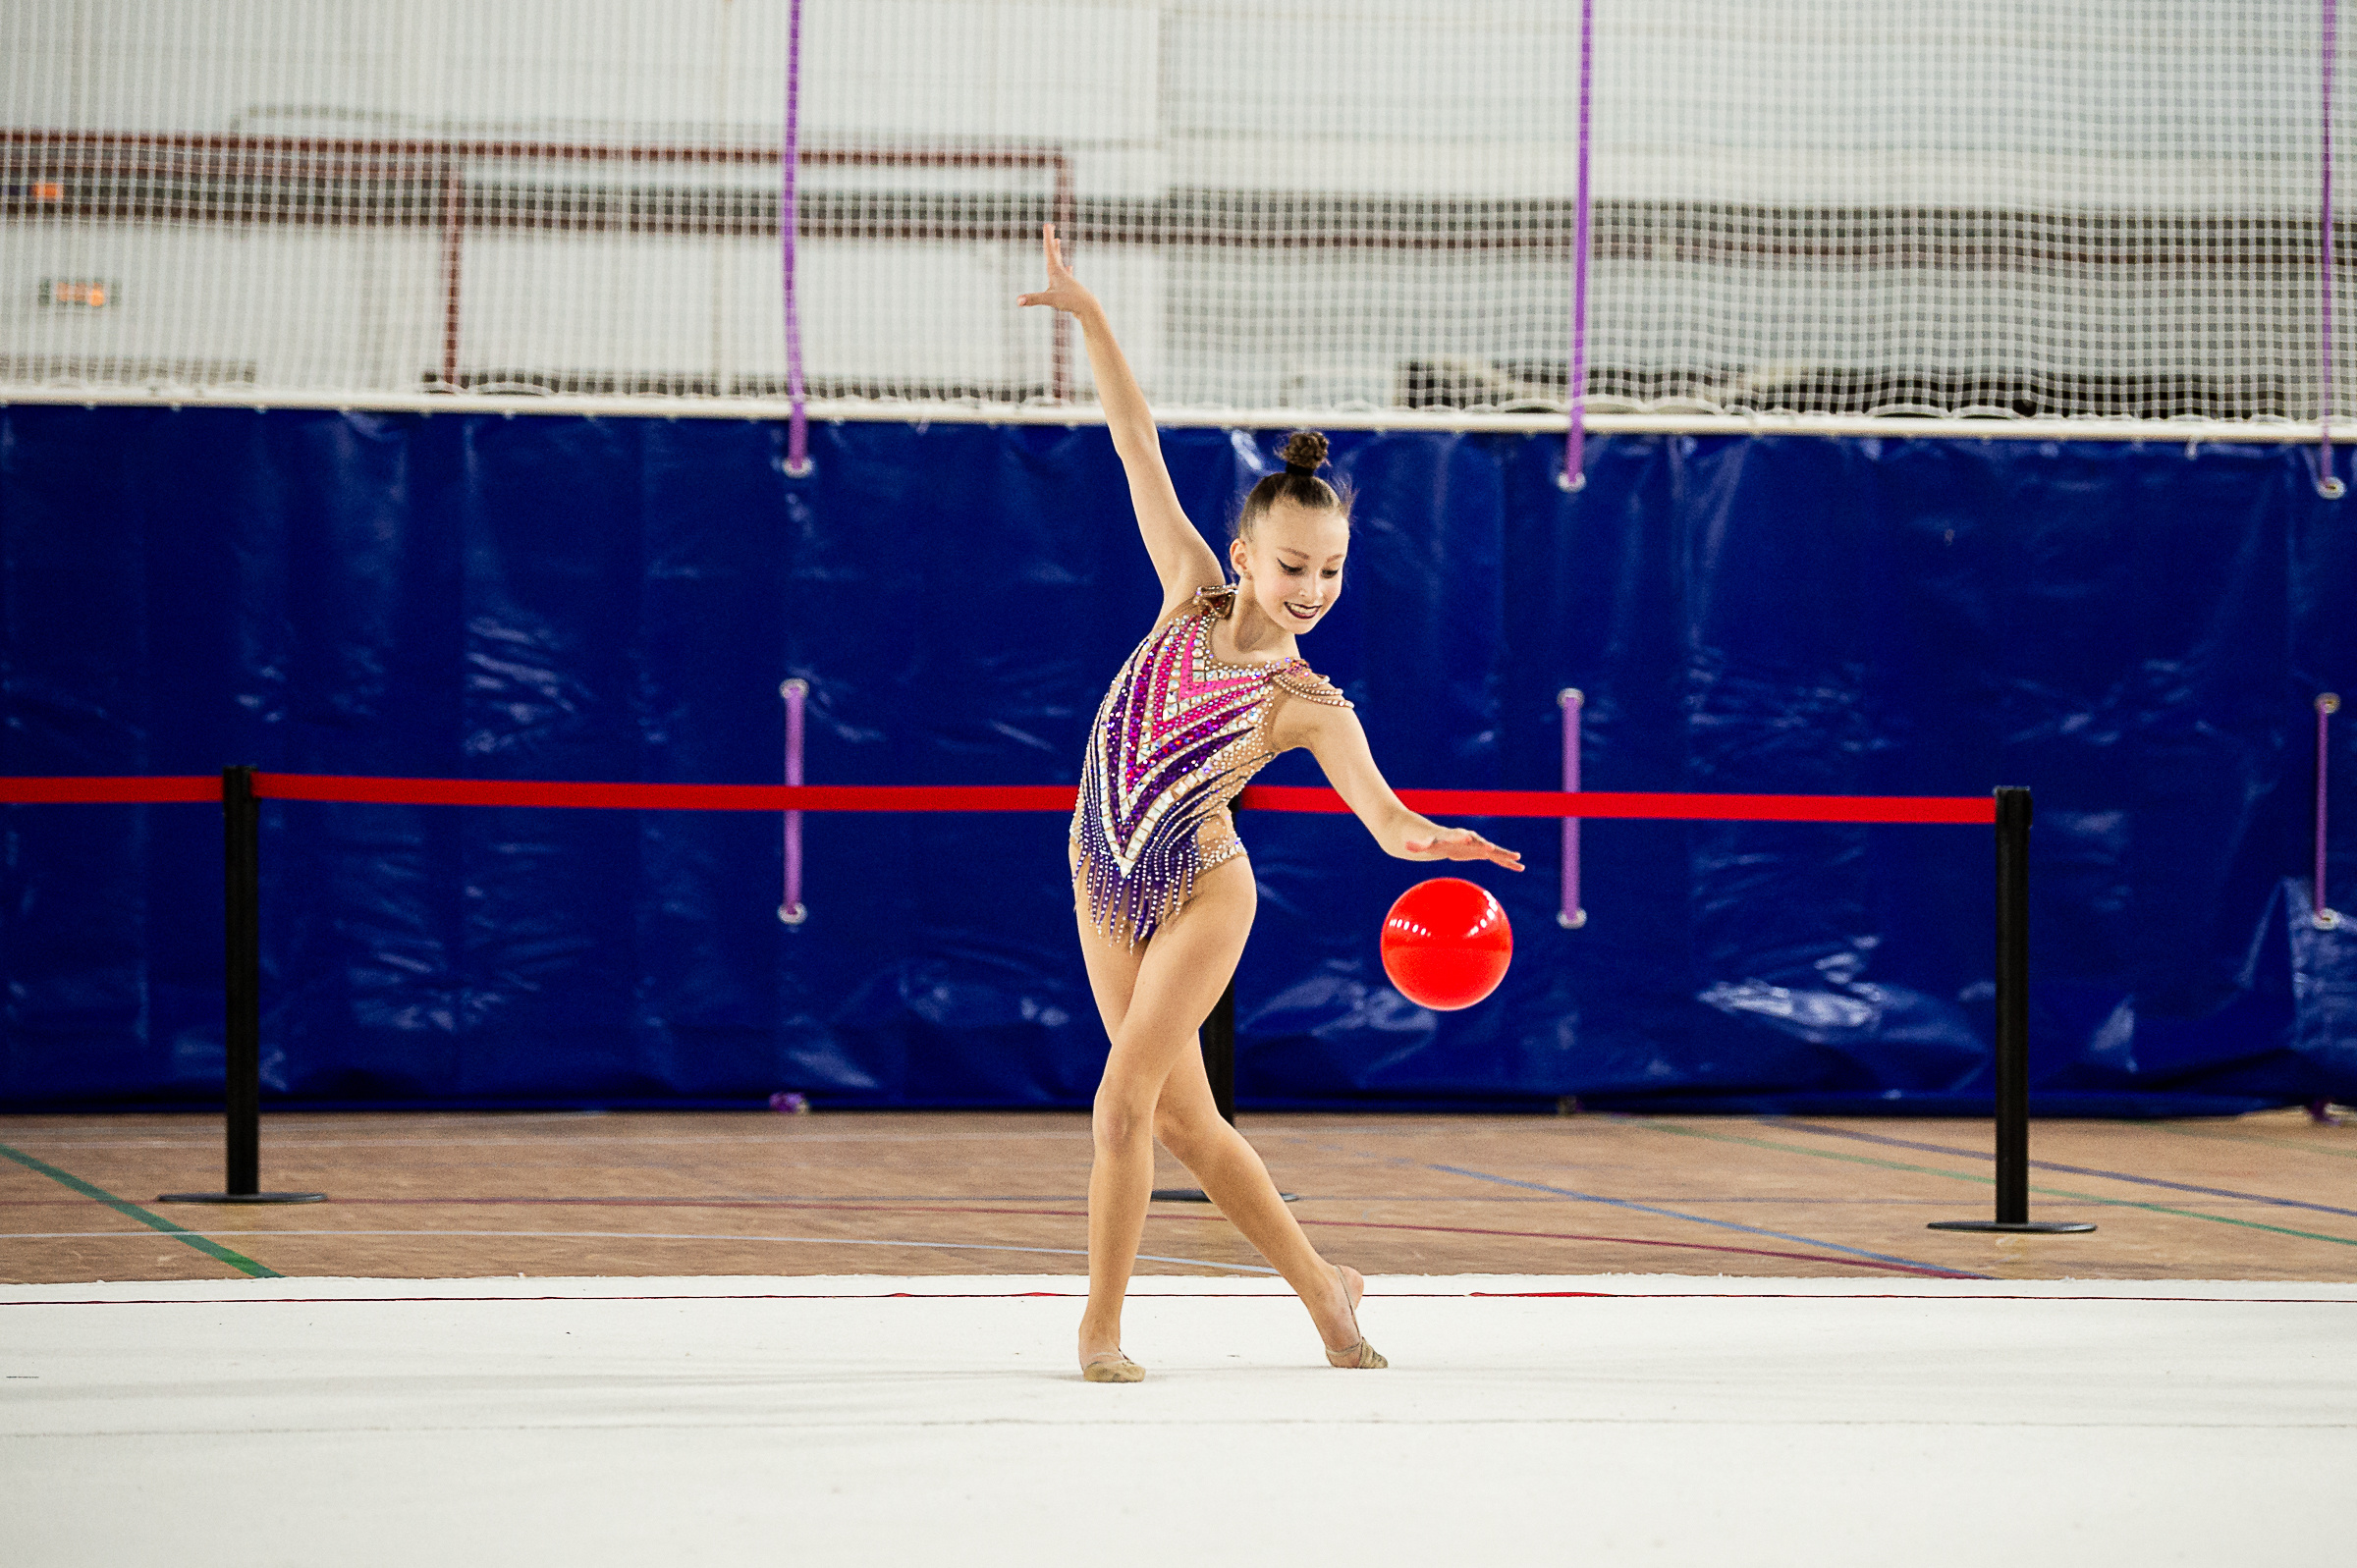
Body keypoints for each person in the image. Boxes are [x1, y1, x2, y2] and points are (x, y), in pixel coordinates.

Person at [1018, 225, 1523, 1382]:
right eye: (1293, 565)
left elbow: (1383, 815)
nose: (1313, 590)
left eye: (1332, 570)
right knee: (1189, 1126)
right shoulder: (1186, 596)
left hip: (1203, 892)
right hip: (1101, 880)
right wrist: (1092, 318)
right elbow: (1136, 445)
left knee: (1122, 1103)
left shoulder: (1306, 700)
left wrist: (1425, 836)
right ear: (1244, 553)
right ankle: (1333, 1304)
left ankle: (1099, 1327)